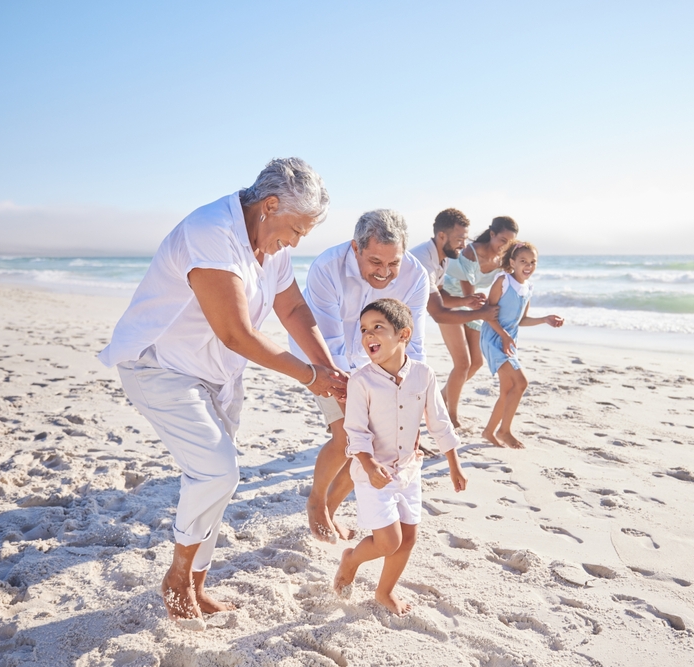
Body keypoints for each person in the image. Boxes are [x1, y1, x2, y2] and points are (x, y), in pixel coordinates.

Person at [98, 158, 347, 629]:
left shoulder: (271, 243)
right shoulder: (211, 231)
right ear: (269, 205)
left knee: (214, 483)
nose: (295, 242)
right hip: (160, 366)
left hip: (218, 374)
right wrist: (311, 378)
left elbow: (292, 307)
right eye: (295, 229)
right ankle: (176, 578)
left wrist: (330, 369)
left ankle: (196, 582)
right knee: (217, 472)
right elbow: (235, 331)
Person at [290, 209, 430, 543]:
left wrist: (413, 397)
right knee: (348, 437)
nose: (385, 273)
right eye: (375, 262)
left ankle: (331, 509)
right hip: (322, 357)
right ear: (356, 248)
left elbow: (415, 342)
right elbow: (331, 345)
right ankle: (315, 502)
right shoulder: (328, 268)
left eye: (393, 263)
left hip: (376, 360)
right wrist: (360, 393)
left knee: (377, 442)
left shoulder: (415, 275)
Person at [333, 298, 467, 615]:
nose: (368, 336)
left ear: (403, 334)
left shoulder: (423, 375)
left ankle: (384, 591)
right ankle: (351, 559)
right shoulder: (361, 380)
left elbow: (438, 420)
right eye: (364, 330)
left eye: (377, 328)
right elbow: (355, 431)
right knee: (387, 542)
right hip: (371, 474)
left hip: (409, 470)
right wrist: (367, 462)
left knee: (408, 538)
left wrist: (454, 463)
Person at [479, 242, 564, 449]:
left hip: (509, 341)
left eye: (533, 262)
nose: (528, 265)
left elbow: (521, 320)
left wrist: (544, 319)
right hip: (493, 339)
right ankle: (504, 431)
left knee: (508, 389)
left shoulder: (528, 288)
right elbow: (487, 314)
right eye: (523, 261)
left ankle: (489, 432)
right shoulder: (503, 281)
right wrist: (505, 336)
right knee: (521, 382)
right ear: (512, 262)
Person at [440, 216, 519, 428]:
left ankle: (439, 398)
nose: (506, 246)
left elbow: (508, 285)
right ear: (492, 234)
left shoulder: (504, 259)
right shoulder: (470, 253)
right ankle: (451, 415)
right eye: (503, 240)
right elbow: (469, 296)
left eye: (511, 243)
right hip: (450, 302)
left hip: (473, 303)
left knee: (476, 363)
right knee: (462, 363)